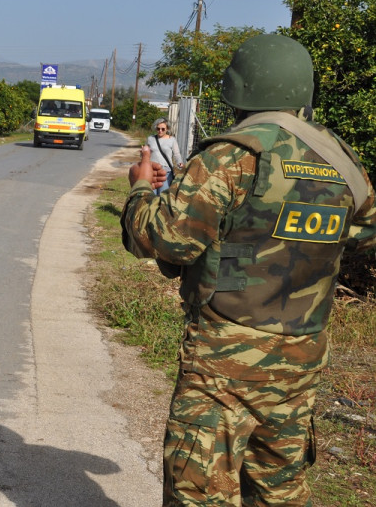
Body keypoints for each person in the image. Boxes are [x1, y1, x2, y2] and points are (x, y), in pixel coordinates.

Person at [120, 34, 376, 506]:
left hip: (224, 360)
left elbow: (164, 241)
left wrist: (140, 192)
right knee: (279, 489)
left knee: (199, 490)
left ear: (237, 90)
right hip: (301, 359)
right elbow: (365, 232)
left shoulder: (231, 156)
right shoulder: (340, 159)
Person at [147, 117, 184, 195]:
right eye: (158, 128)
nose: (160, 131)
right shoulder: (150, 139)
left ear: (167, 129)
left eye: (163, 129)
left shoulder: (172, 140)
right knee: (151, 195)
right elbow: (146, 153)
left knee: (163, 195)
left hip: (165, 172)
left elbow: (177, 154)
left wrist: (179, 163)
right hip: (152, 171)